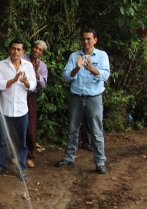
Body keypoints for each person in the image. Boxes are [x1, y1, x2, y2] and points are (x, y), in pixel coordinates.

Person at [56, 28, 110, 174]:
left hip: (94, 98)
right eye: (84, 38)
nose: (85, 41)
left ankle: (100, 162)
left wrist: (91, 68)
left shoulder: (102, 55)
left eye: (88, 38)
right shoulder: (75, 56)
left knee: (96, 131)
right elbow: (67, 76)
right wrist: (77, 68)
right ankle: (69, 158)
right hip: (77, 98)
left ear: (95, 40)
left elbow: (105, 75)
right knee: (72, 129)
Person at [0, 39, 37, 181]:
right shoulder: (2, 64)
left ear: (23, 52)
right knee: (2, 140)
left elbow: (34, 84)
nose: (15, 52)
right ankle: (1, 165)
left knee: (21, 141)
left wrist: (26, 82)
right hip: (5, 108)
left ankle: (21, 167)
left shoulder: (28, 66)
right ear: (9, 50)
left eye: (19, 49)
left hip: (21, 109)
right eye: (13, 48)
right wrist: (12, 80)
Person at [22, 40, 48, 168]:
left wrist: (37, 72)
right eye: (35, 48)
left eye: (40, 50)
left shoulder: (42, 66)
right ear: (31, 48)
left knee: (30, 127)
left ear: (42, 53)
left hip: (30, 97)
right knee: (16, 126)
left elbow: (43, 85)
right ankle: (17, 154)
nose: (36, 51)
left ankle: (30, 155)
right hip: (18, 94)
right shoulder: (22, 57)